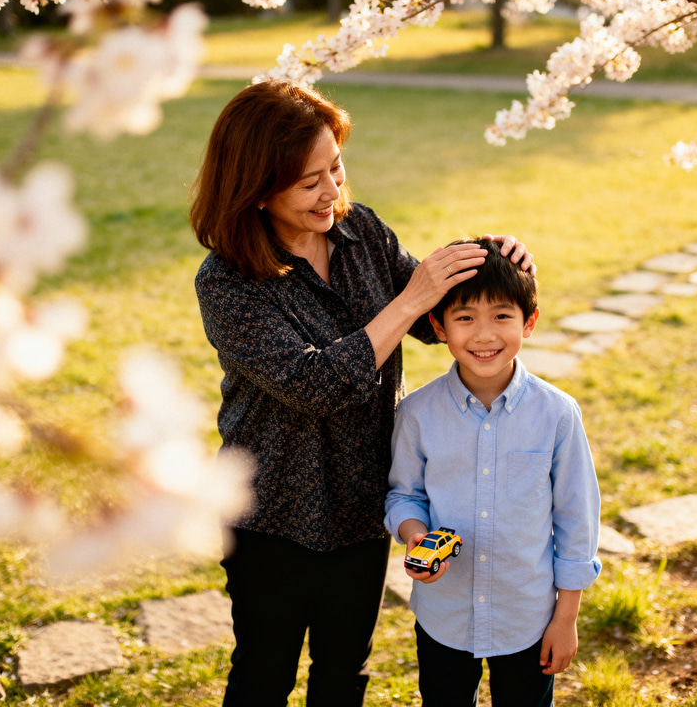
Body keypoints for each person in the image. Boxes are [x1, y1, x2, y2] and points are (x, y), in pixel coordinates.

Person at [188, 80, 534, 707]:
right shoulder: (227, 282)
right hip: (272, 516)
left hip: (362, 503)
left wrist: (493, 262)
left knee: (344, 673)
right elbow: (314, 384)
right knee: (264, 675)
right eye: (309, 182)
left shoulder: (362, 232)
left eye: (336, 166)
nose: (332, 191)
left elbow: (433, 320)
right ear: (257, 188)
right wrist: (409, 300)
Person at [384, 238, 601, 707]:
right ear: (438, 326)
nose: (484, 335)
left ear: (530, 322)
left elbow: (576, 521)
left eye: (502, 316)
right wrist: (415, 534)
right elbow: (404, 495)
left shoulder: (557, 414)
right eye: (465, 318)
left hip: (527, 617)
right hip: (444, 616)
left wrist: (566, 618)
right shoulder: (417, 413)